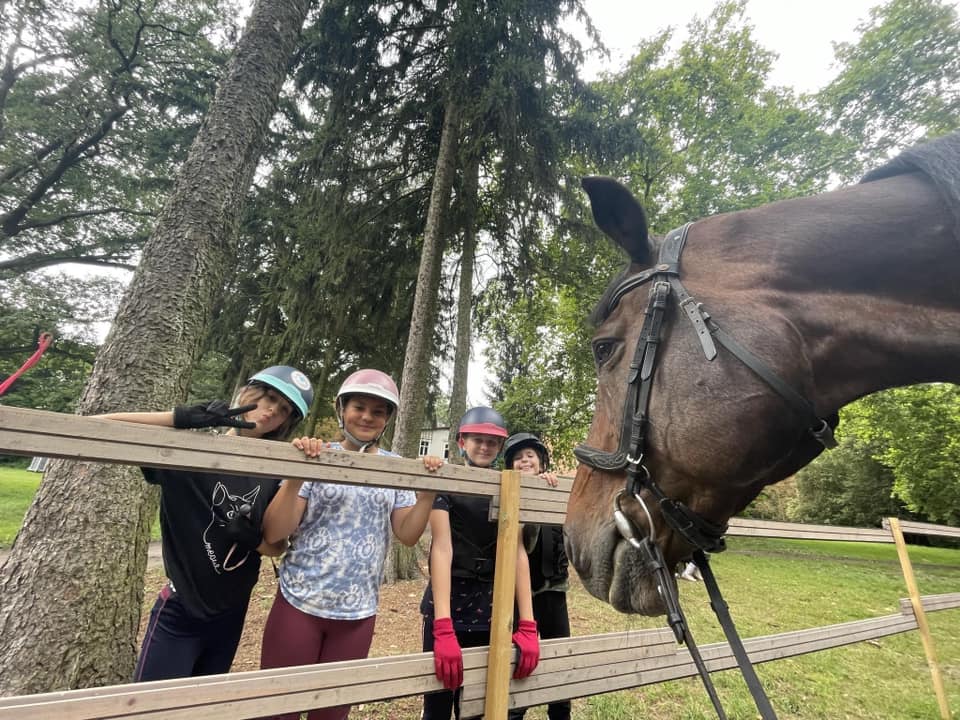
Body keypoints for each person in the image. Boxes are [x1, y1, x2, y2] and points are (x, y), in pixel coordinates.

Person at [98, 365, 314, 681]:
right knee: (151, 709)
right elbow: (96, 427)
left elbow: (277, 544)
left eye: (283, 411)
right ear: (245, 390)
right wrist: (178, 418)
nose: (270, 412)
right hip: (181, 611)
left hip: (231, 615)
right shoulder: (187, 455)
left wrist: (255, 541)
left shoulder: (272, 471)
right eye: (268, 398)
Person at [258, 369, 436, 720]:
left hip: (357, 614)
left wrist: (426, 494)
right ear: (341, 408)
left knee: (332, 714)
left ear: (387, 419)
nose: (368, 416)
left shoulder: (395, 469)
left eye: (378, 411)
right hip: (300, 604)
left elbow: (407, 533)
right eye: (359, 406)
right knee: (278, 711)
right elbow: (276, 531)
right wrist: (297, 472)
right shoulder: (316, 456)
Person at [420, 407, 540, 720]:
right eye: (477, 439)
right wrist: (442, 626)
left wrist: (527, 623)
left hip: (491, 609)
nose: (484, 446)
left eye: (492, 442)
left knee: (476, 707)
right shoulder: (446, 481)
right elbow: (442, 548)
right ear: (462, 442)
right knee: (437, 705)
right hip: (449, 604)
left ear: (500, 447)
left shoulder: (509, 486)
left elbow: (516, 553)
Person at [502, 433, 571, 720]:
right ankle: (514, 712)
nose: (524, 461)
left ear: (541, 462)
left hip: (553, 591)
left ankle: (560, 711)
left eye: (530, 455)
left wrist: (552, 491)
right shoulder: (506, 492)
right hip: (519, 595)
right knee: (519, 660)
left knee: (559, 657)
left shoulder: (556, 491)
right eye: (518, 458)